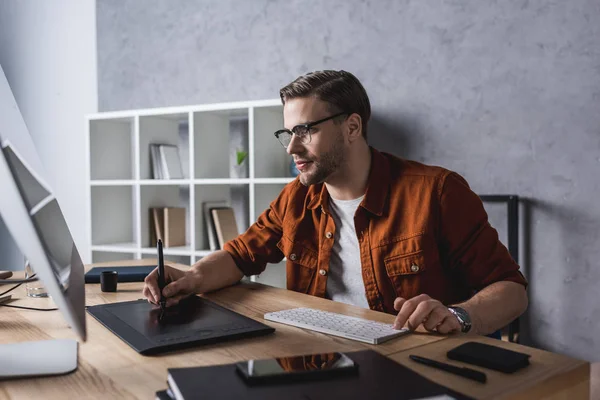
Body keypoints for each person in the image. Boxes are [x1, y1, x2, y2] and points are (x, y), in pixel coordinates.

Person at [143, 70, 528, 335]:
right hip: (323, 359)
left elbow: (511, 290)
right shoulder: (296, 197)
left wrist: (460, 315)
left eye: (304, 131)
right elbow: (240, 255)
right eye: (288, 133)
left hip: (417, 362)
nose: (292, 147)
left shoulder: (437, 192)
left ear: (353, 127)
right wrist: (192, 277)